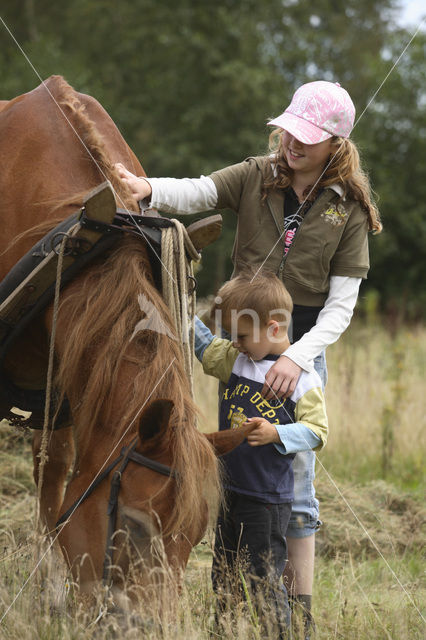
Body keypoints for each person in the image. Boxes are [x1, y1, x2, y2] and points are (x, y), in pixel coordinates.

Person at [116, 79, 381, 636]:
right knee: (239, 457)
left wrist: (299, 359)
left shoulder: (348, 209)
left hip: (300, 341)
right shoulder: (256, 175)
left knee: (297, 483)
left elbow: (340, 306)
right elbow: (197, 192)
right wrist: (146, 187)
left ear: (335, 143)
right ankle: (235, 594)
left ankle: (296, 611)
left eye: (307, 138)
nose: (292, 144)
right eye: (289, 131)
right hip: (245, 336)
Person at [193, 270, 328, 637]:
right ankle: (225, 631)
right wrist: (177, 300)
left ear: (272, 328)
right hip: (229, 492)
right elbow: (203, 345)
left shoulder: (303, 379)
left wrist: (276, 433)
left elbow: (317, 432)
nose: (233, 343)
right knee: (223, 577)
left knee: (263, 580)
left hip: (266, 500)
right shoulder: (236, 360)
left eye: (240, 335)